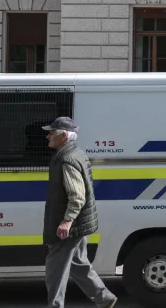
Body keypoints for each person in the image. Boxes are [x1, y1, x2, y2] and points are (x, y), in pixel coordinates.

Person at [42, 117, 118, 308]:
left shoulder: (67, 159)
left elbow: (77, 196)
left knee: (55, 270)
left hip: (70, 225)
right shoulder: (75, 153)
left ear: (64, 136)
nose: (47, 136)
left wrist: (67, 221)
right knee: (78, 263)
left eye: (52, 132)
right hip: (79, 222)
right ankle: (104, 297)